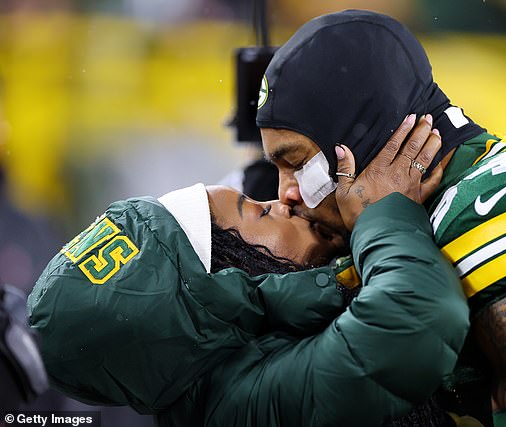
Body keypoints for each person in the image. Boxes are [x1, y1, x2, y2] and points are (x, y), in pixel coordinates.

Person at [255, 10, 506, 427]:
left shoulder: (503, 201)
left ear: (358, 139)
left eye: (297, 162)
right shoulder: (424, 216)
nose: (285, 194)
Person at [28, 119, 470, 426]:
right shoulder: (240, 404)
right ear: (224, 276)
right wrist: (386, 214)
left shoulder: (227, 369)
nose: (283, 201)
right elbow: (418, 316)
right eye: (257, 211)